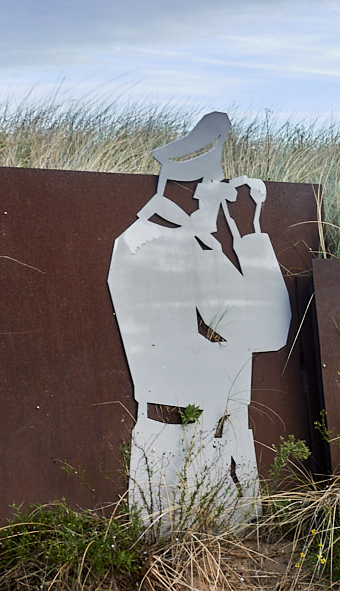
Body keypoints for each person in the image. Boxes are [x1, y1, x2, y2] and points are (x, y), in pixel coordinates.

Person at [107, 112, 291, 530]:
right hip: (200, 440)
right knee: (207, 538)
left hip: (187, 431)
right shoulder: (180, 247)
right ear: (199, 190)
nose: (224, 195)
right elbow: (268, 329)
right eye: (218, 186)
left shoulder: (142, 239)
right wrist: (249, 228)